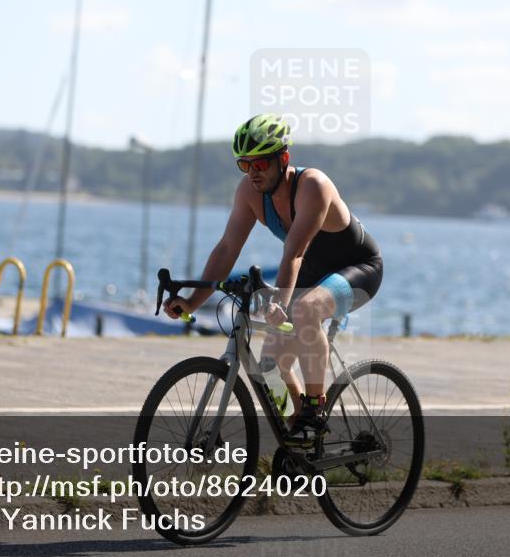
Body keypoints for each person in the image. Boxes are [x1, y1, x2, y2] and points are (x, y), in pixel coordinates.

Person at [164, 114, 383, 447]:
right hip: (310, 275)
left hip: (358, 269)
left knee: (306, 310)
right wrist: (192, 300)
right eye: (245, 165)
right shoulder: (250, 194)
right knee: (267, 368)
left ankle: (315, 409)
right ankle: (300, 438)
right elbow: (226, 249)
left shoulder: (313, 186)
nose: (253, 172)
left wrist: (281, 302)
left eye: (261, 163)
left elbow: (294, 254)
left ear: (283, 159)